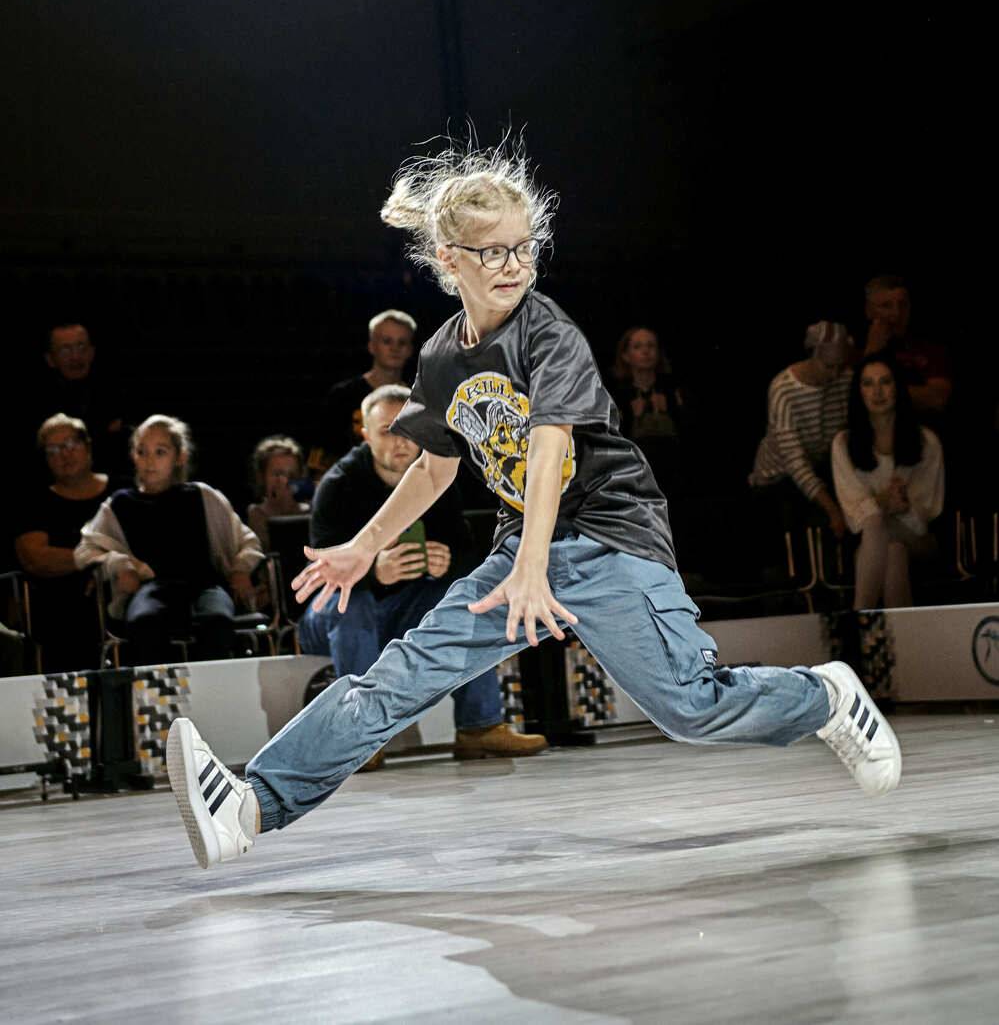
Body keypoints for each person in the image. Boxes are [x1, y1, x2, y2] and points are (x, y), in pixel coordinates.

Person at [166, 141, 900, 872]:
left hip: (612, 536)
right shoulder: (442, 358)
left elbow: (549, 451)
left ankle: (824, 697)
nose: (514, 265)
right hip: (525, 546)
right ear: (449, 260)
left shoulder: (547, 333)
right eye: (492, 252)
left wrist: (530, 564)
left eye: (524, 248)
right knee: (401, 674)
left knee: (691, 709)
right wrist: (364, 545)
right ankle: (250, 807)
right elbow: (433, 467)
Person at [299, 382, 546, 768]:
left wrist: (447, 562)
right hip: (334, 611)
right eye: (387, 430)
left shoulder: (439, 478)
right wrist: (374, 573)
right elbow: (323, 573)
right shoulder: (338, 485)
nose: (401, 441)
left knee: (465, 602)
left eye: (408, 429)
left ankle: (479, 726)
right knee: (352, 605)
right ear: (364, 434)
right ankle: (359, 736)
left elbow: (466, 554)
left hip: (403, 606)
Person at [76, 415, 263, 664]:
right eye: (142, 452)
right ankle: (160, 687)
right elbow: (86, 549)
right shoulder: (120, 504)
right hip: (152, 586)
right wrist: (120, 565)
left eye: (160, 452)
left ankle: (214, 685)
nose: (149, 461)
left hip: (204, 583)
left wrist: (240, 568)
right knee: (144, 621)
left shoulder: (201, 495)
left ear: (179, 457)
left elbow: (248, 541)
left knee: (215, 619)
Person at [832, 353, 945, 609]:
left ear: (897, 387)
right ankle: (899, 631)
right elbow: (855, 517)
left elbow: (925, 518)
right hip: (872, 539)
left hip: (918, 539)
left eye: (885, 382)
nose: (877, 392)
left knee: (880, 529)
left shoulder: (926, 441)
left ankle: (859, 617)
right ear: (859, 391)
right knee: (892, 550)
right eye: (868, 384)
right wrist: (883, 502)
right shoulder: (844, 444)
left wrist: (902, 507)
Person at [13, 414, 111, 671]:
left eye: (70, 444)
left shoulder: (121, 492)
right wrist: (93, 557)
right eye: (54, 450)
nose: (65, 455)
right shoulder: (36, 502)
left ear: (87, 445)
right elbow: (35, 558)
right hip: (59, 605)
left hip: (120, 594)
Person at [749, 321, 853, 552]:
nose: (835, 374)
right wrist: (832, 509)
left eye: (840, 366)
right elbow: (794, 461)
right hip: (777, 478)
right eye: (829, 366)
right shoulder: (784, 389)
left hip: (819, 469)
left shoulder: (844, 379)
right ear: (812, 354)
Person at [309, 310, 417, 477]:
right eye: (387, 341)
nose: (395, 348)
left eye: (402, 342)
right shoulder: (343, 396)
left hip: (405, 483)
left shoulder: (419, 397)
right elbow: (323, 455)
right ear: (371, 345)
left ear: (410, 349)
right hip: (351, 484)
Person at [28, 322, 128, 473]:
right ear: (50, 359)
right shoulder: (38, 402)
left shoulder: (116, 392)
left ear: (92, 352)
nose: (76, 357)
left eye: (81, 347)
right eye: (65, 350)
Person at [863, 275, 952, 418]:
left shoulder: (928, 347)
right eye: (886, 306)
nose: (897, 313)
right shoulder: (851, 349)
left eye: (903, 305)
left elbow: (937, 398)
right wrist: (871, 352)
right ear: (869, 310)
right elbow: (853, 397)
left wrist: (880, 393)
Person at [609, 326, 685, 492]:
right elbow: (612, 440)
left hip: (673, 472)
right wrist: (631, 416)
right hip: (634, 474)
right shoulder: (619, 395)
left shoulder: (671, 391)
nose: (645, 351)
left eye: (650, 346)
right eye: (637, 347)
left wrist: (671, 409)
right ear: (625, 355)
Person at [247, 436, 311, 555]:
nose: (285, 481)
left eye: (292, 475)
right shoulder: (256, 513)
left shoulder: (309, 511)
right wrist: (282, 508)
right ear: (262, 477)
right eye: (277, 474)